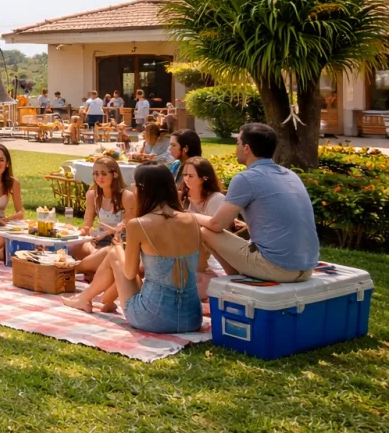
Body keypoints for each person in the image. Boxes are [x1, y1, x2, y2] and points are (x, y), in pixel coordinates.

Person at [65, 164, 203, 333]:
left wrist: (119, 248)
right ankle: (102, 301)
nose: (133, 189)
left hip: (153, 318)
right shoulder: (192, 220)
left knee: (115, 252)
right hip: (192, 317)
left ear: (144, 189)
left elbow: (129, 273)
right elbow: (199, 264)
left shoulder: (139, 224)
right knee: (118, 255)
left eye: (135, 185)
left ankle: (84, 298)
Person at [195, 123, 319, 282]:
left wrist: (188, 214)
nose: (236, 147)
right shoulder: (290, 175)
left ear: (247, 148)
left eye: (237, 143)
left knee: (206, 231)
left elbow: (216, 225)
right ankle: (239, 276)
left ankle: (221, 279)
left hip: (276, 268)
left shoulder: (246, 178)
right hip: (307, 268)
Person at [66, 157, 136, 312]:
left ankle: (76, 270)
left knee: (90, 260)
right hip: (97, 241)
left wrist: (117, 228)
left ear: (115, 174)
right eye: (96, 173)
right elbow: (87, 225)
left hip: (117, 244)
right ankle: (93, 273)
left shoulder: (126, 196)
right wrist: (77, 232)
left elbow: (129, 225)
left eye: (103, 173)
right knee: (73, 247)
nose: (99, 177)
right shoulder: (93, 195)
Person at [181, 157, 228, 301]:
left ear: (203, 178)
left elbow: (215, 233)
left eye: (190, 176)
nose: (186, 179)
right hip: (190, 252)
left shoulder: (216, 199)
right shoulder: (184, 197)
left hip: (211, 254)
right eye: (184, 175)